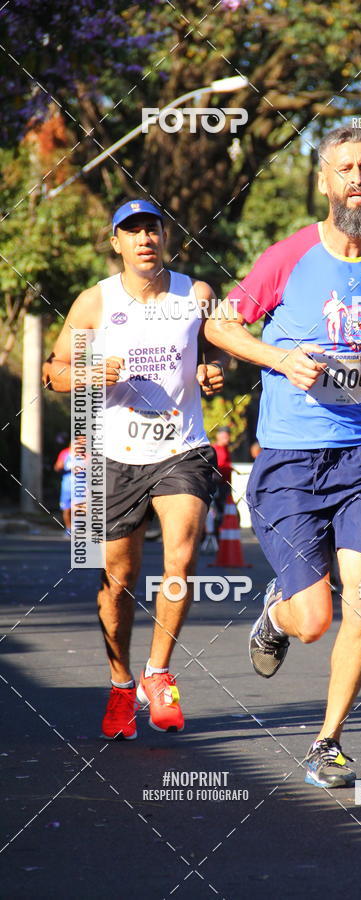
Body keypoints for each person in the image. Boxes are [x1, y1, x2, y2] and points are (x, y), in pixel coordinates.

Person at [205, 126, 361, 787]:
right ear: (324, 181)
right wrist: (279, 357)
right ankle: (277, 615)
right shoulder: (288, 258)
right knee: (314, 620)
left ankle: (327, 742)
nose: (359, 178)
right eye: (346, 169)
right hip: (289, 461)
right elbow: (220, 324)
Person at [42, 198, 226, 739]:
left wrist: (216, 371)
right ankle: (122, 684)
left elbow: (223, 351)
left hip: (181, 447)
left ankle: (159, 672)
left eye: (153, 229)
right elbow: (54, 373)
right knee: (118, 581)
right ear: (116, 242)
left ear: (166, 237)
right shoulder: (94, 302)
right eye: (133, 231)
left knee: (182, 559)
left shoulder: (197, 295)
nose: (144, 238)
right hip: (113, 455)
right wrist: (90, 372)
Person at [212, 425, 233, 534]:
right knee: (219, 510)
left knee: (227, 509)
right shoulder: (215, 449)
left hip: (226, 485)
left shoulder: (226, 449)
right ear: (218, 436)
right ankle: (217, 531)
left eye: (228, 435)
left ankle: (222, 532)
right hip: (218, 485)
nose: (227, 438)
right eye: (224, 435)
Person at [54, 442, 74, 535]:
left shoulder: (85, 454)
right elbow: (57, 467)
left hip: (81, 486)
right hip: (67, 485)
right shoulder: (65, 453)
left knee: (80, 508)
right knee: (66, 509)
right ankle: (69, 528)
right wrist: (60, 466)